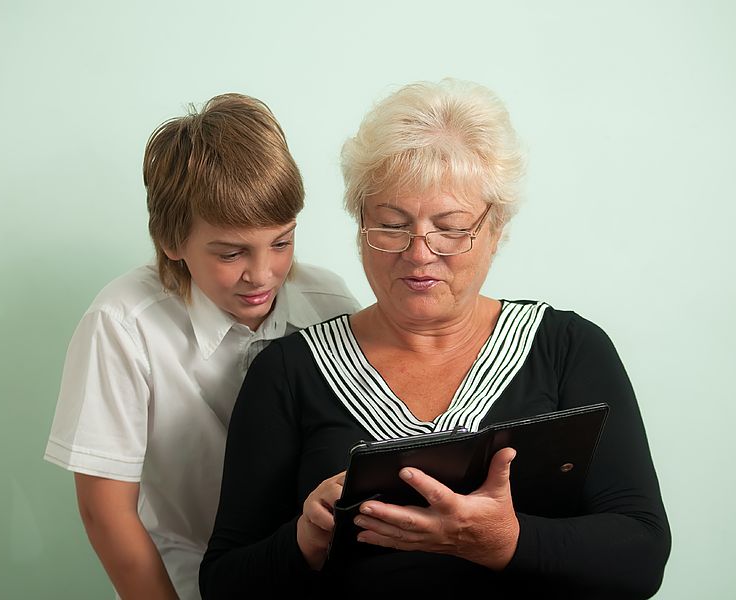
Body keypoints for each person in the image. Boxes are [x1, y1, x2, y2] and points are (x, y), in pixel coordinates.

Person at [199, 79, 671, 598]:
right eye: (392, 225)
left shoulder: (568, 350)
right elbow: (224, 582)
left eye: (450, 227)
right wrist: (305, 538)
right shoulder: (290, 371)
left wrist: (504, 541)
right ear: (360, 225)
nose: (419, 253)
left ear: (496, 227)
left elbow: (642, 555)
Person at [43, 93, 360, 599]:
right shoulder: (122, 325)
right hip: (188, 581)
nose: (262, 274)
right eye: (231, 252)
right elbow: (105, 511)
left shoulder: (329, 300)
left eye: (282, 242)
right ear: (172, 240)